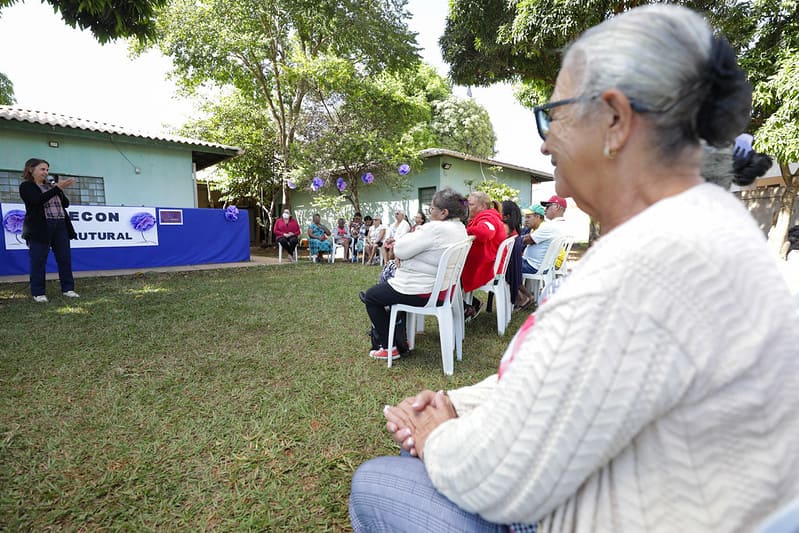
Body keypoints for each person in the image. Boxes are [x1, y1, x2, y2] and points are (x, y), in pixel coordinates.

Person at [350, 5, 799, 532]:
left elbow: (500, 474)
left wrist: (435, 434)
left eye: (552, 115)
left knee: (379, 482)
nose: (543, 142)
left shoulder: (647, 270)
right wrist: (455, 400)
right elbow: (563, 382)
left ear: (614, 119)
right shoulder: (706, 230)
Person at [358, 188, 468, 360]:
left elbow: (401, 250)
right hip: (444, 290)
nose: (429, 213)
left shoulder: (436, 228)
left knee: (372, 296)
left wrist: (401, 248)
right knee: (386, 286)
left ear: (443, 212)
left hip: (422, 290)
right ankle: (400, 337)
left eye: (431, 209)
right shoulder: (459, 228)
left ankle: (389, 346)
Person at [19, 158, 79, 302]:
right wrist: (57, 188)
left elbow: (66, 204)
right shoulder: (27, 186)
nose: (46, 172)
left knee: (64, 258)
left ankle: (68, 289)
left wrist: (58, 189)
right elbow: (36, 201)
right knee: (38, 260)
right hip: (40, 227)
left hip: (60, 225)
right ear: (31, 170)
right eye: (42, 169)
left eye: (47, 169)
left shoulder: (51, 187)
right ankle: (38, 293)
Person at [461, 191, 505, 321]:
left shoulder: (488, 217)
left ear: (482, 206)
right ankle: (469, 305)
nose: (468, 207)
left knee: (448, 276)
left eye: (471, 204)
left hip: (486, 268)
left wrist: (463, 231)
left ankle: (467, 307)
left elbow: (485, 233)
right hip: (487, 263)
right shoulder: (488, 216)